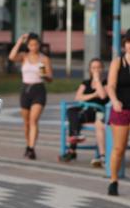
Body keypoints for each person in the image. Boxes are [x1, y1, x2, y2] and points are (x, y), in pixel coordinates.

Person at [8, 32, 53, 160]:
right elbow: (11, 57)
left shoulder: (44, 59)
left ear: (39, 45)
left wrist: (44, 75)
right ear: (28, 45)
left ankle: (31, 148)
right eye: (31, 44)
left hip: (38, 89)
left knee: (33, 120)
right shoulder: (24, 56)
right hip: (25, 90)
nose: (34, 47)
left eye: (36, 44)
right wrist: (19, 41)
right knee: (26, 122)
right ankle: (28, 145)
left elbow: (50, 78)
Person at [59, 58, 108, 166]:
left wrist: (97, 81)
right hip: (84, 108)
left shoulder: (106, 82)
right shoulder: (85, 82)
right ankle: (76, 136)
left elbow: (103, 95)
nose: (96, 70)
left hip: (97, 111)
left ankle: (72, 150)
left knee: (77, 117)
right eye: (93, 68)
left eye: (98, 67)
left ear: (102, 69)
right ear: (89, 69)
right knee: (71, 111)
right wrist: (94, 95)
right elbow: (78, 97)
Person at [106, 30, 130, 196]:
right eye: (129, 41)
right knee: (119, 148)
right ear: (125, 44)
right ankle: (113, 180)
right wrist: (114, 100)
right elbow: (111, 86)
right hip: (122, 109)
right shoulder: (118, 62)